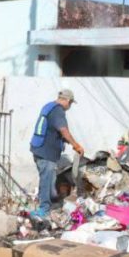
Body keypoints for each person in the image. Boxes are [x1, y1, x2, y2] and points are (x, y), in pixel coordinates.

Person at [28, 88, 84, 221]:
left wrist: (67, 142)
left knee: (46, 180)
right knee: (47, 180)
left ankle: (46, 205)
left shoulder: (49, 107)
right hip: (46, 152)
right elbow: (63, 130)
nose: (69, 107)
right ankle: (44, 210)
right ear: (68, 101)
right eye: (70, 104)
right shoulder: (58, 111)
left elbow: (54, 131)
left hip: (38, 149)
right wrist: (76, 145)